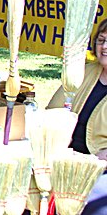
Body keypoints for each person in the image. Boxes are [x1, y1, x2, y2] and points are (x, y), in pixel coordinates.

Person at [47, 18, 107, 214]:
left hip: (100, 168)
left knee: (93, 204)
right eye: (101, 40)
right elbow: (52, 114)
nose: (104, 47)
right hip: (65, 159)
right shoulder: (81, 73)